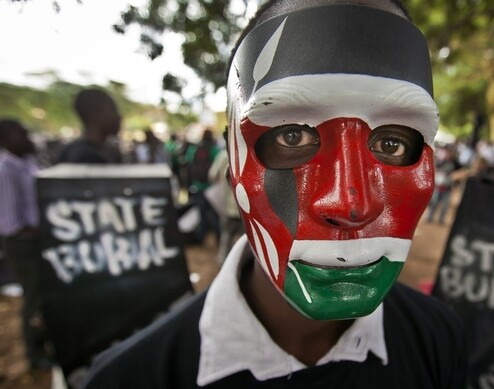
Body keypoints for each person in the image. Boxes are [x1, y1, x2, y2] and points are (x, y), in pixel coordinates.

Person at [83, 1, 467, 387]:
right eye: (292, 135)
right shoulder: (130, 379)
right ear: (232, 157)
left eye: (391, 142)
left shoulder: (439, 338)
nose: (352, 205)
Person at [0, 119, 51, 369]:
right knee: (34, 296)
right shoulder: (6, 170)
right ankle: (35, 352)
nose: (27, 137)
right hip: (22, 244)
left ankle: (45, 340)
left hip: (37, 239)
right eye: (22, 133)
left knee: (45, 293)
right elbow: (11, 222)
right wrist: (43, 231)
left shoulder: (28, 163)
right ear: (7, 139)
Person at [56, 88, 122, 164]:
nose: (119, 117)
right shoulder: (87, 157)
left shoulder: (69, 150)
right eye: (114, 110)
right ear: (96, 114)